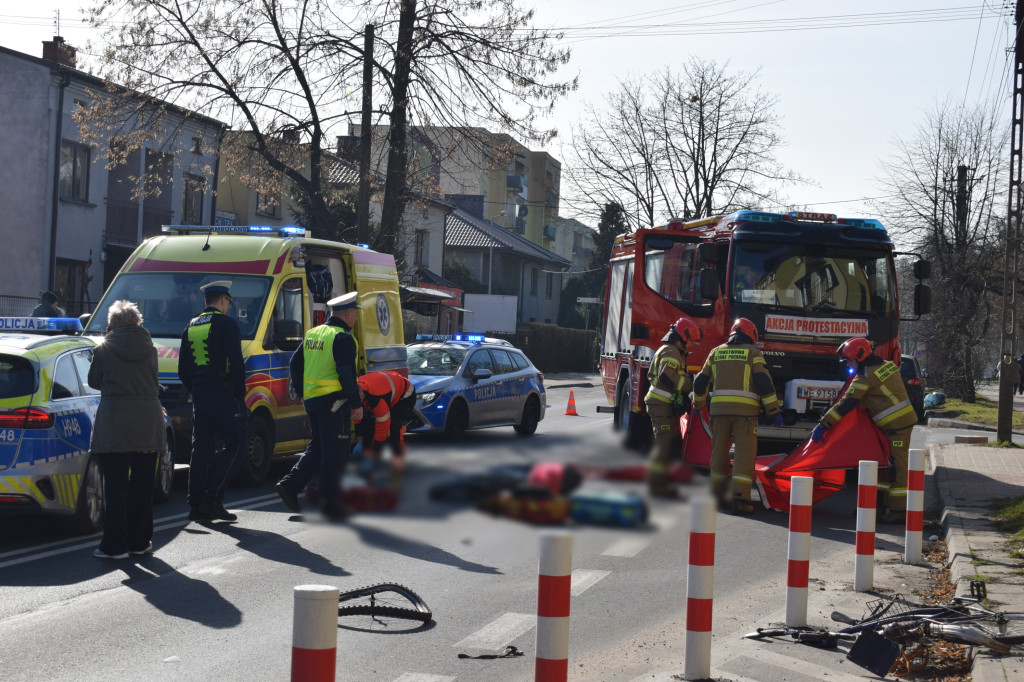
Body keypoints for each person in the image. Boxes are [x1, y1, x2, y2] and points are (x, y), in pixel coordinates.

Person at [275, 292, 364, 519]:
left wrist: (303, 392)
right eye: (355, 314)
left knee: (319, 448)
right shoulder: (343, 338)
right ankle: (333, 505)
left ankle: (290, 485)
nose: (355, 319)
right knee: (336, 454)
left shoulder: (314, 333)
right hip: (335, 403)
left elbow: (295, 364)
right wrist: (356, 403)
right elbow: (346, 374)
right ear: (347, 314)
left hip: (314, 402)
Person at [88, 300, 165, 559]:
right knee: (143, 485)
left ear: (112, 325)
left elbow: (93, 380)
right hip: (148, 423)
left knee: (116, 486)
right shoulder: (151, 348)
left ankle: (114, 546)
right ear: (138, 322)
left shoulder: (104, 349)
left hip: (116, 424)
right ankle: (140, 542)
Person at [812, 337, 919, 524]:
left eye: (849, 361)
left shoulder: (866, 376)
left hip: (896, 426)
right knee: (885, 466)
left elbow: (847, 403)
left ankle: (898, 511)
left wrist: (824, 424)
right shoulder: (887, 365)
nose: (848, 365)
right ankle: (878, 508)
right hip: (893, 424)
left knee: (898, 468)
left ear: (860, 357)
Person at [692, 318, 781, 515]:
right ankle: (740, 499)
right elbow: (763, 381)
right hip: (745, 414)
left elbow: (700, 381)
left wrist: (698, 403)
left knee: (719, 453)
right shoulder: (753, 353)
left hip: (719, 413)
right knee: (744, 454)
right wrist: (773, 410)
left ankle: (717, 496)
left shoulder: (715, 352)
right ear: (751, 336)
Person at [177, 280, 248, 522]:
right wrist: (239, 395)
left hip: (200, 394)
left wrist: (196, 388)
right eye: (228, 301)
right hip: (224, 394)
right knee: (236, 445)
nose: (228, 305)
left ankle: (195, 503)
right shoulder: (227, 325)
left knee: (201, 448)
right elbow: (236, 364)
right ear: (223, 300)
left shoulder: (191, 326)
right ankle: (213, 499)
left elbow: (182, 370)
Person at [643, 317, 702, 497]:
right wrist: (692, 383)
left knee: (672, 443)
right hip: (661, 406)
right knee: (663, 444)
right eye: (689, 341)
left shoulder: (672, 350)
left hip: (665, 406)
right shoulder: (671, 351)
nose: (689, 345)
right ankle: (656, 485)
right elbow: (667, 379)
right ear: (682, 337)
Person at [353, 369, 416, 489]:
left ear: (362, 396)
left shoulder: (377, 399)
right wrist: (360, 442)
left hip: (404, 395)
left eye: (359, 401)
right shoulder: (355, 394)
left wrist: (374, 454)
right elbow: (358, 419)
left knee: (394, 432)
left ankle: (398, 469)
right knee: (368, 428)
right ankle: (367, 471)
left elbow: (382, 430)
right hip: (386, 390)